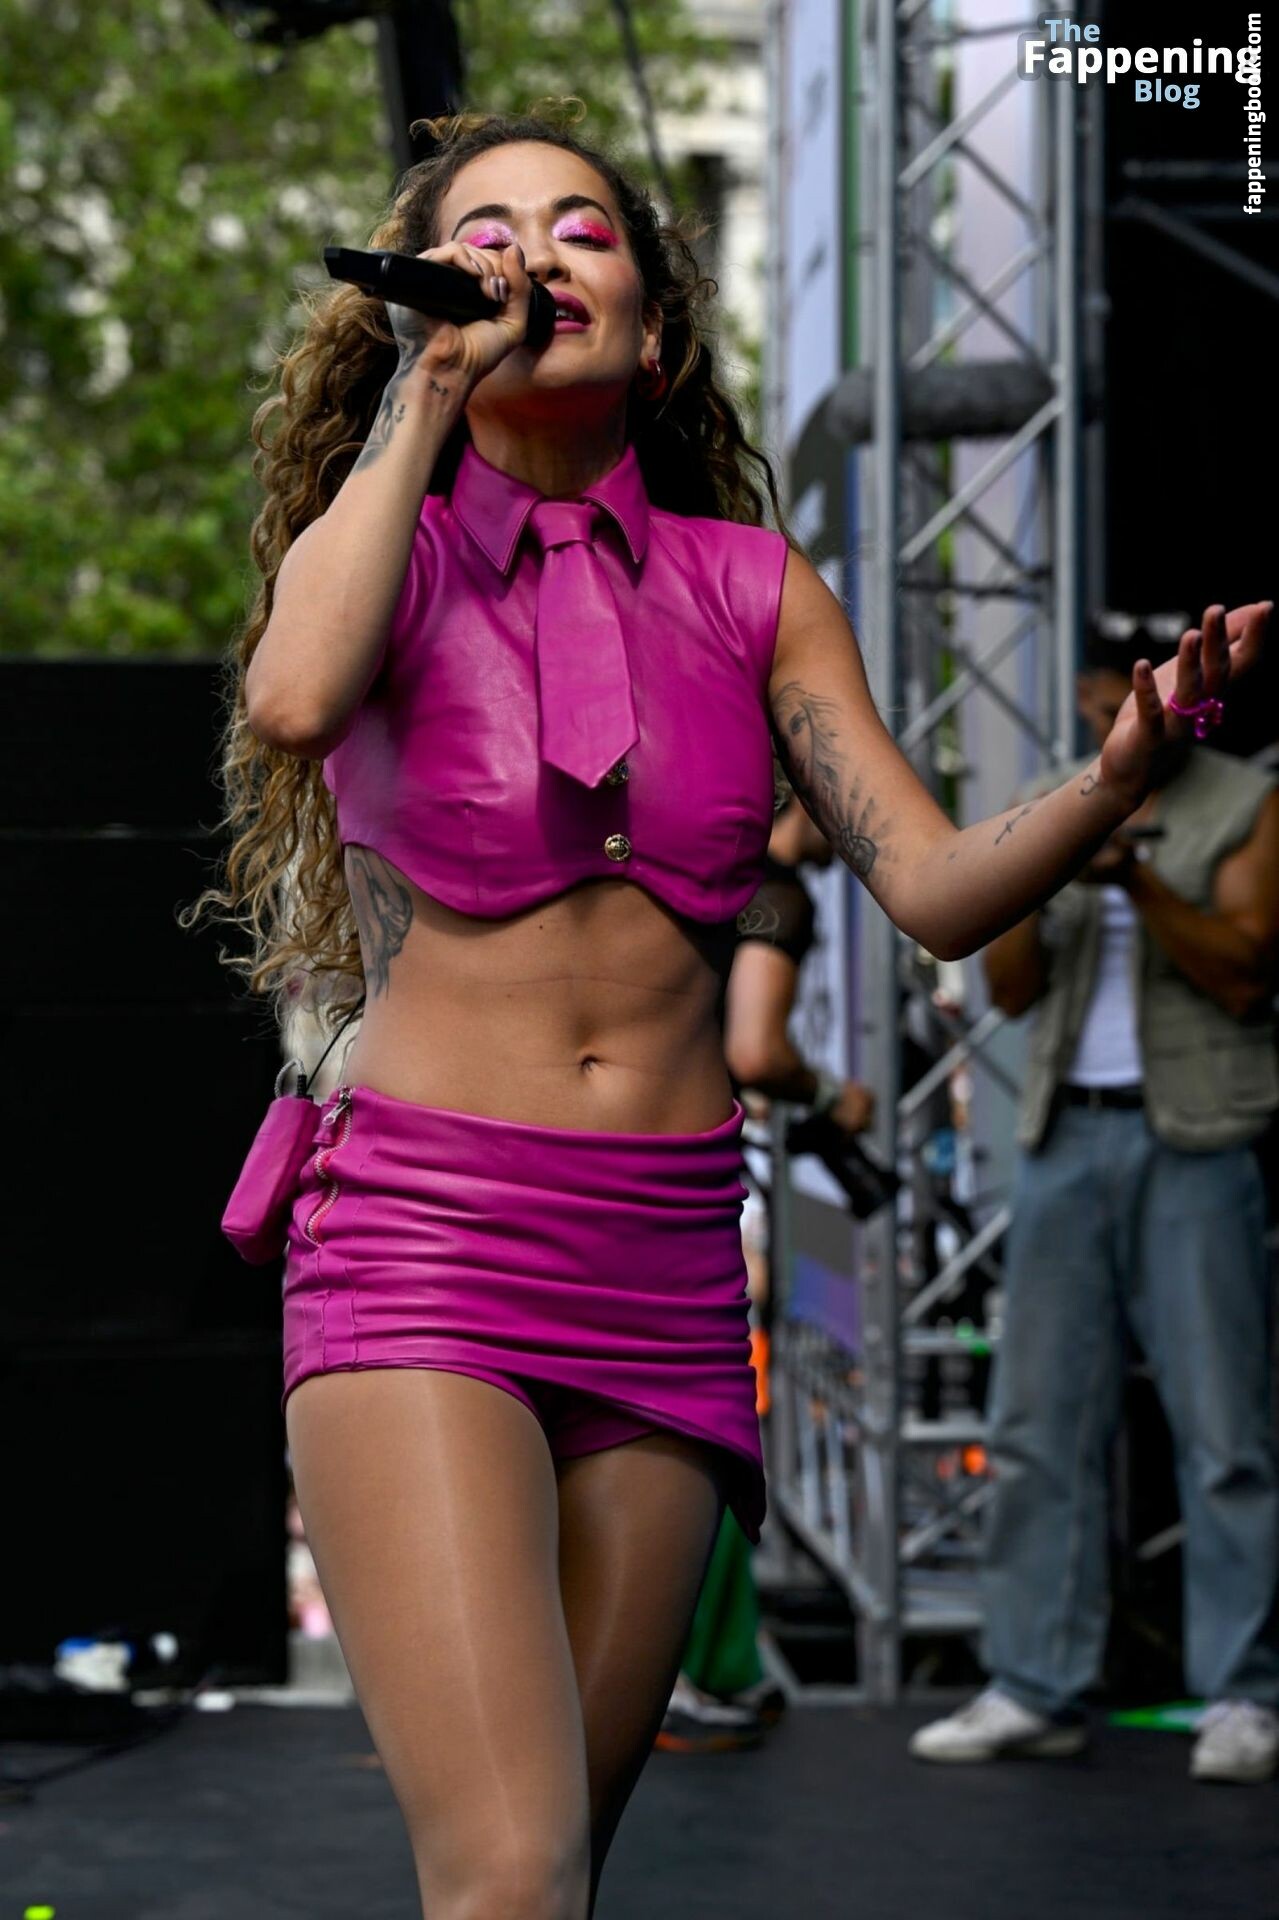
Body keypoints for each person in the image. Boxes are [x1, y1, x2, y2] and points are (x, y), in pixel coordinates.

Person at [183, 93, 1271, 1918]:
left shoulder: (751, 591)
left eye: (583, 230)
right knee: (508, 1876)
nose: (535, 257)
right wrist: (426, 388)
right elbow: (293, 701)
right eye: (486, 235)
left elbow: (929, 890)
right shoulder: (384, 555)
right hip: (426, 1234)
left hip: (665, 1256)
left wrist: (1113, 777)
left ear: (658, 329)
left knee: (559, 1876)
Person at [910, 615, 1279, 1785]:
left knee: (1222, 1430)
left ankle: (1242, 1692)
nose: (1142, 701)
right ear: (1089, 696)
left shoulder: (1243, 800)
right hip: (1064, 1134)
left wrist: (1137, 881)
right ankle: (1033, 1683)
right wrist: (1060, 865)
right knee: (1035, 1426)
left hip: (1194, 1137)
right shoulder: (1052, 800)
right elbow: (1009, 989)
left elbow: (1244, 972)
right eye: (1121, 684)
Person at [657, 787, 875, 1752]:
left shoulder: (683, 863)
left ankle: (667, 1667)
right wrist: (834, 1096)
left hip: (599, 1160)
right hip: (684, 1180)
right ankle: (693, 1669)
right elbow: (754, 1048)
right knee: (700, 1427)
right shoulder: (776, 893)